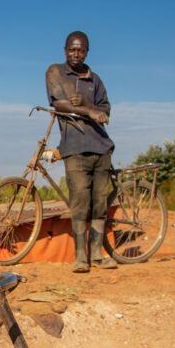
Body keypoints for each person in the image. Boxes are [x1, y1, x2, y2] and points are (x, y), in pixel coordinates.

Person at [45, 31, 117, 272]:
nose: (76, 54)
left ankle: (96, 253)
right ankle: (80, 257)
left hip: (101, 147)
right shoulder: (55, 71)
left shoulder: (94, 79)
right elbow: (59, 104)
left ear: (87, 51)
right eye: (72, 49)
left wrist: (86, 106)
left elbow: (105, 111)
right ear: (65, 50)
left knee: (99, 202)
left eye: (81, 50)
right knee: (79, 200)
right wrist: (90, 112)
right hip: (74, 147)